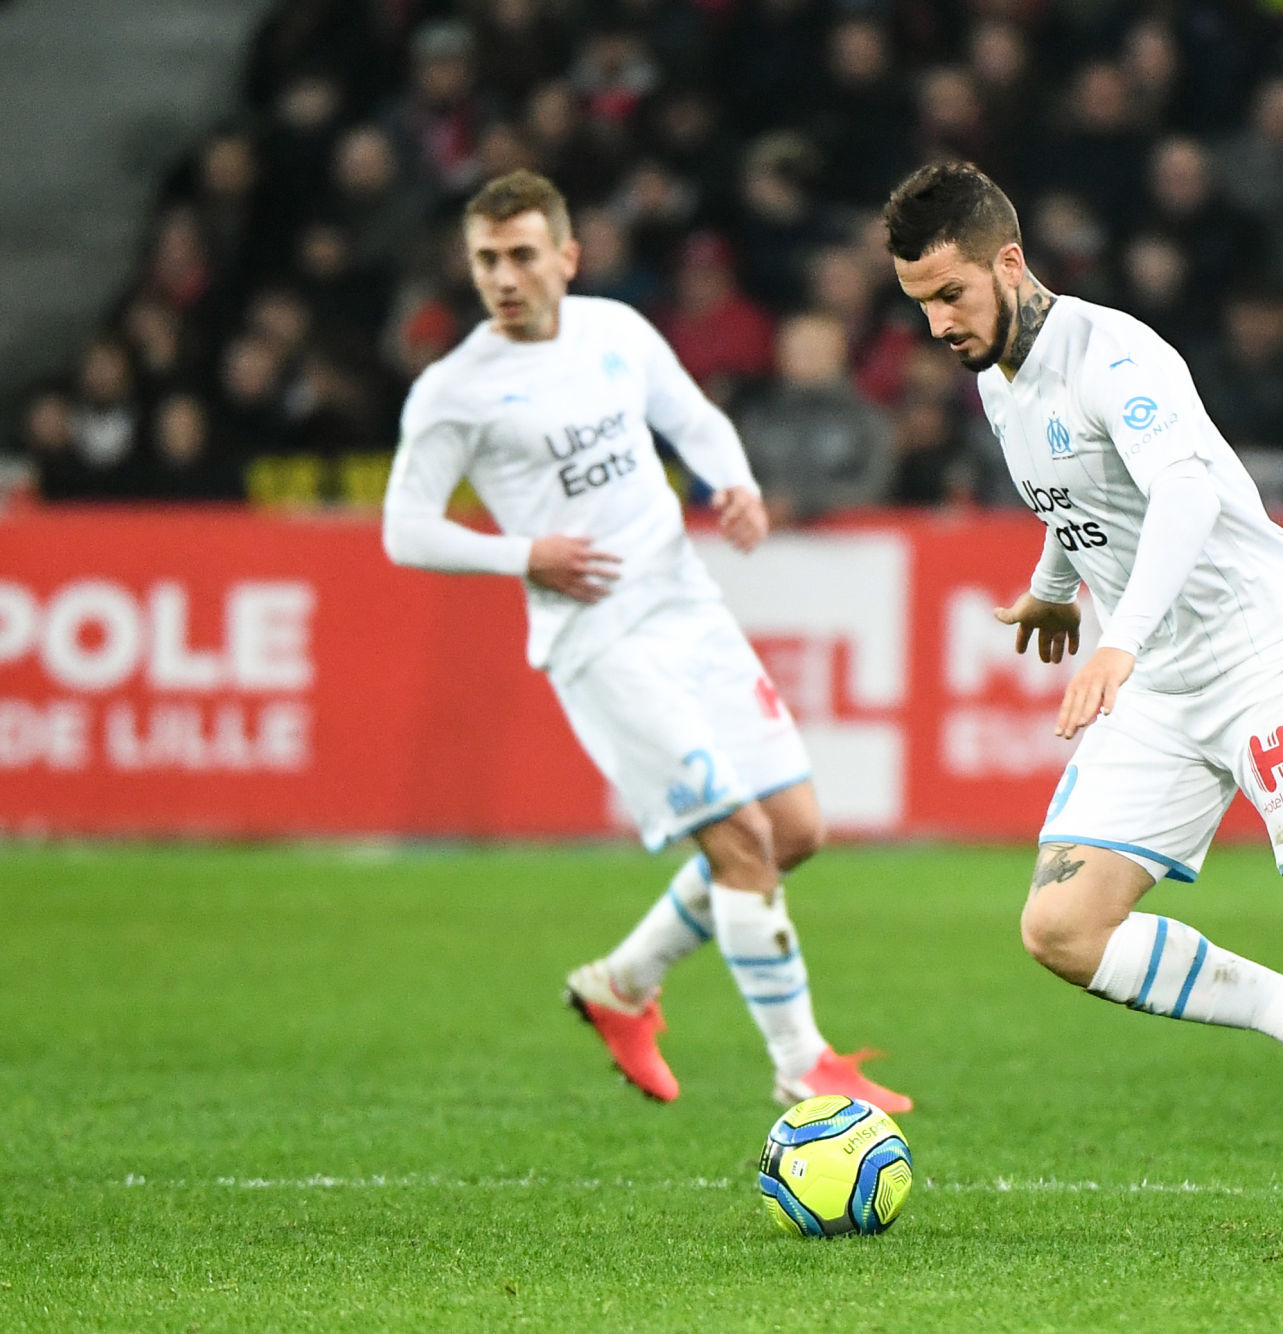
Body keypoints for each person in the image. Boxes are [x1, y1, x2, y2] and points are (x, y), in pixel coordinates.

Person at [883, 162, 1283, 1235]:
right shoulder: (1000, 382)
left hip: (1263, 653)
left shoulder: (1119, 354)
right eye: (920, 304)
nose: (938, 323)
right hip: (1165, 685)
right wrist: (1057, 590)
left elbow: (1183, 488)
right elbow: (1082, 498)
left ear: (1009, 260)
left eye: (951, 294)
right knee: (1060, 923)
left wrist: (1119, 640)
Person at [382, 170, 909, 1113]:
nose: (504, 276)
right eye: (486, 260)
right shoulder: (454, 391)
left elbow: (691, 419)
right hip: (598, 637)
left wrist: (731, 482)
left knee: (793, 831)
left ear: (567, 258)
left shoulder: (615, 334)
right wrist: (521, 554)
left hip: (685, 604)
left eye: (522, 255)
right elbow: (405, 529)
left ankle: (621, 985)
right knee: (741, 842)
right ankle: (803, 1070)